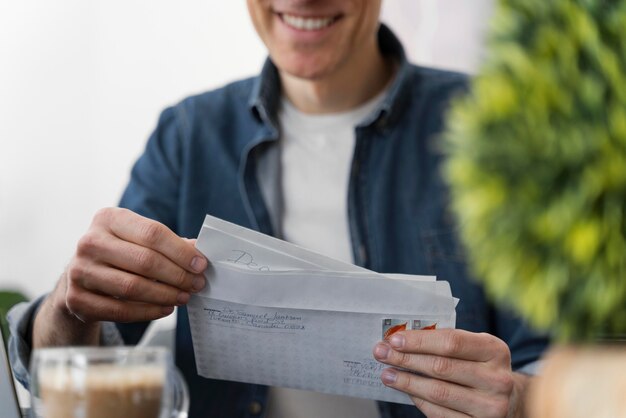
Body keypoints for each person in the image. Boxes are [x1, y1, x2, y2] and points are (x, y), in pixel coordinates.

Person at [8, 1, 549, 417]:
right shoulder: (188, 137)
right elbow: (75, 363)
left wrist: (521, 399)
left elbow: (572, 364)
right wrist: (67, 305)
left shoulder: (495, 131)